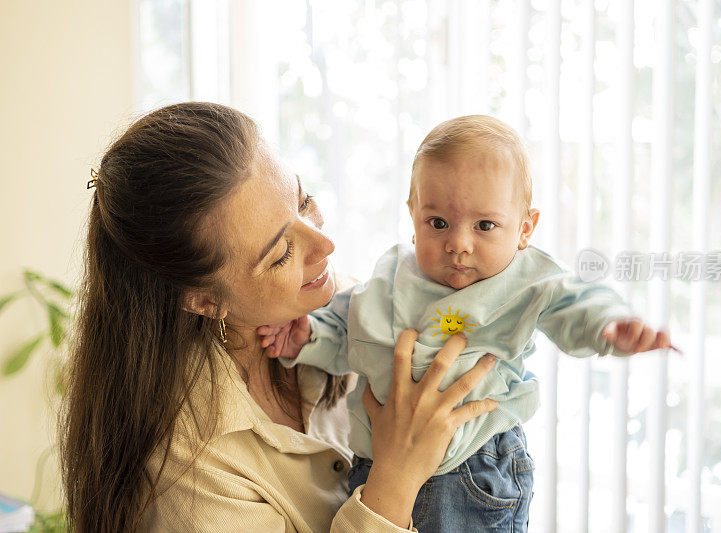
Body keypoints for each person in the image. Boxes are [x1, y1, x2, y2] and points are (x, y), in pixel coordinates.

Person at [60, 102, 501, 532]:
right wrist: (397, 477)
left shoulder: (343, 307)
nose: (324, 245)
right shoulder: (191, 476)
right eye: (281, 253)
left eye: (303, 200)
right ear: (203, 300)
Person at [259, 115, 673, 532]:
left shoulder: (526, 279)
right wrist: (308, 335)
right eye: (437, 223)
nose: (458, 243)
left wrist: (612, 324)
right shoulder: (389, 277)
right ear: (413, 214)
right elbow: (352, 334)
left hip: (474, 465)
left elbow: (576, 301)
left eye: (485, 225)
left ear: (525, 228)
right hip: (377, 468)